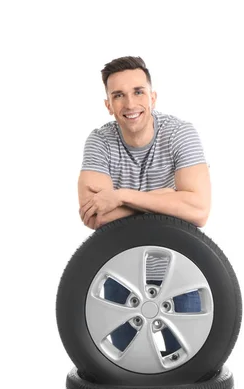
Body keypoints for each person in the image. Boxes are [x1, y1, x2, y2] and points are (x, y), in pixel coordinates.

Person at [78, 56, 211, 355]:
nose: (130, 104)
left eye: (138, 92)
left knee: (188, 361)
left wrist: (122, 197)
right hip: (121, 271)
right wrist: (168, 197)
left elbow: (199, 210)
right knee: (126, 364)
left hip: (179, 270)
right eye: (118, 95)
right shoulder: (100, 141)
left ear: (152, 97)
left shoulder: (180, 134)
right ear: (108, 105)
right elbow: (95, 215)